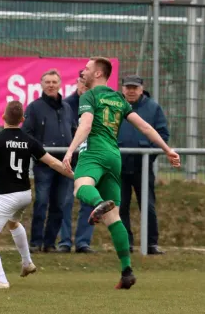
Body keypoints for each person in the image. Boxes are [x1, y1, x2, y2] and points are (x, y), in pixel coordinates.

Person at [62, 57, 180, 290]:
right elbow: (145, 127)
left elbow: (86, 125)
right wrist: (168, 150)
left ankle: (98, 203)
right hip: (114, 157)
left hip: (94, 152)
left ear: (98, 74)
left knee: (80, 185)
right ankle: (126, 270)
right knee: (113, 218)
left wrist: (69, 151)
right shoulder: (119, 98)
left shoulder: (90, 96)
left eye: (86, 69)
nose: (82, 72)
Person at [0, 100, 74, 289]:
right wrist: (76, 177)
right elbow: (53, 163)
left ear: (3, 117)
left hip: (6, 196)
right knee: (13, 223)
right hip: (24, 194)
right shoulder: (29, 140)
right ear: (22, 119)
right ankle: (27, 262)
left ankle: (1, 280)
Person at [22, 69, 76, 253]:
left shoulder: (67, 108)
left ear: (60, 84)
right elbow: (26, 133)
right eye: (47, 82)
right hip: (44, 164)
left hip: (65, 164)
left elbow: (75, 132)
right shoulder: (34, 108)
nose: (51, 85)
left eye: (54, 82)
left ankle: (50, 243)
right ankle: (36, 242)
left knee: (59, 204)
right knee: (42, 202)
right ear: (41, 85)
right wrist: (39, 151)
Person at [118, 74, 169, 255]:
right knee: (121, 205)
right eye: (128, 87)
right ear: (122, 89)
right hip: (119, 166)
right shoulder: (114, 107)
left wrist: (150, 155)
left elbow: (163, 134)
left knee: (147, 205)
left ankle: (151, 244)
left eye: (135, 88)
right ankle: (125, 243)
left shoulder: (153, 108)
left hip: (143, 166)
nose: (131, 91)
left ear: (141, 89)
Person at [61, 71, 95, 253]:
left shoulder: (96, 103)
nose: (84, 86)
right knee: (65, 201)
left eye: (87, 82)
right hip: (71, 160)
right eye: (82, 82)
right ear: (77, 83)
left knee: (88, 201)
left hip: (90, 160)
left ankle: (83, 241)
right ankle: (64, 241)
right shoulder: (66, 105)